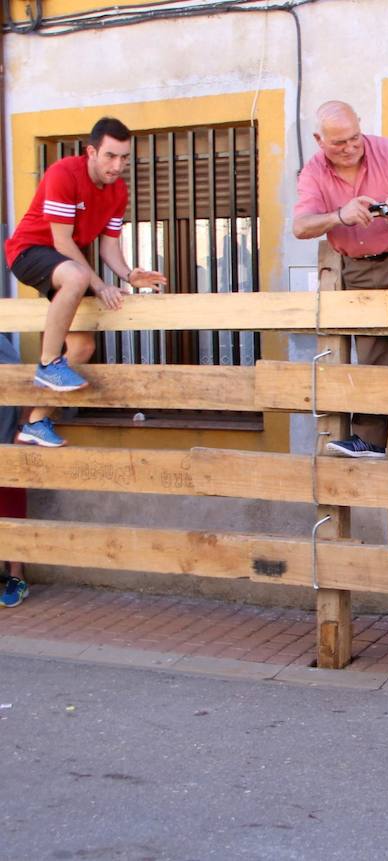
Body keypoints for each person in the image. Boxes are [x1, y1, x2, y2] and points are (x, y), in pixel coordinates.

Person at [4, 117, 168, 448]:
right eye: (110, 156)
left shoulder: (118, 191)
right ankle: (48, 363)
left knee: (82, 347)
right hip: (30, 253)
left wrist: (127, 275)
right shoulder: (64, 173)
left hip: (67, 269)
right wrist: (100, 285)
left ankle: (36, 422)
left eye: (124, 157)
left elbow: (108, 245)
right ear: (91, 151)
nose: (118, 165)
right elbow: (61, 241)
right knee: (78, 276)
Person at [293, 101, 388, 462]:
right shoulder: (312, 172)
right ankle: (369, 440)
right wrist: (339, 215)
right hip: (358, 268)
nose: (349, 147)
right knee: (372, 354)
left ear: (361, 126)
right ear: (319, 140)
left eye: (354, 137)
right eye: (339, 142)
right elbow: (300, 227)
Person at [0, 336, 28, 608]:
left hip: (3, 436)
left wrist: (23, 424)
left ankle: (16, 577)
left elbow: (24, 379)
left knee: (9, 505)